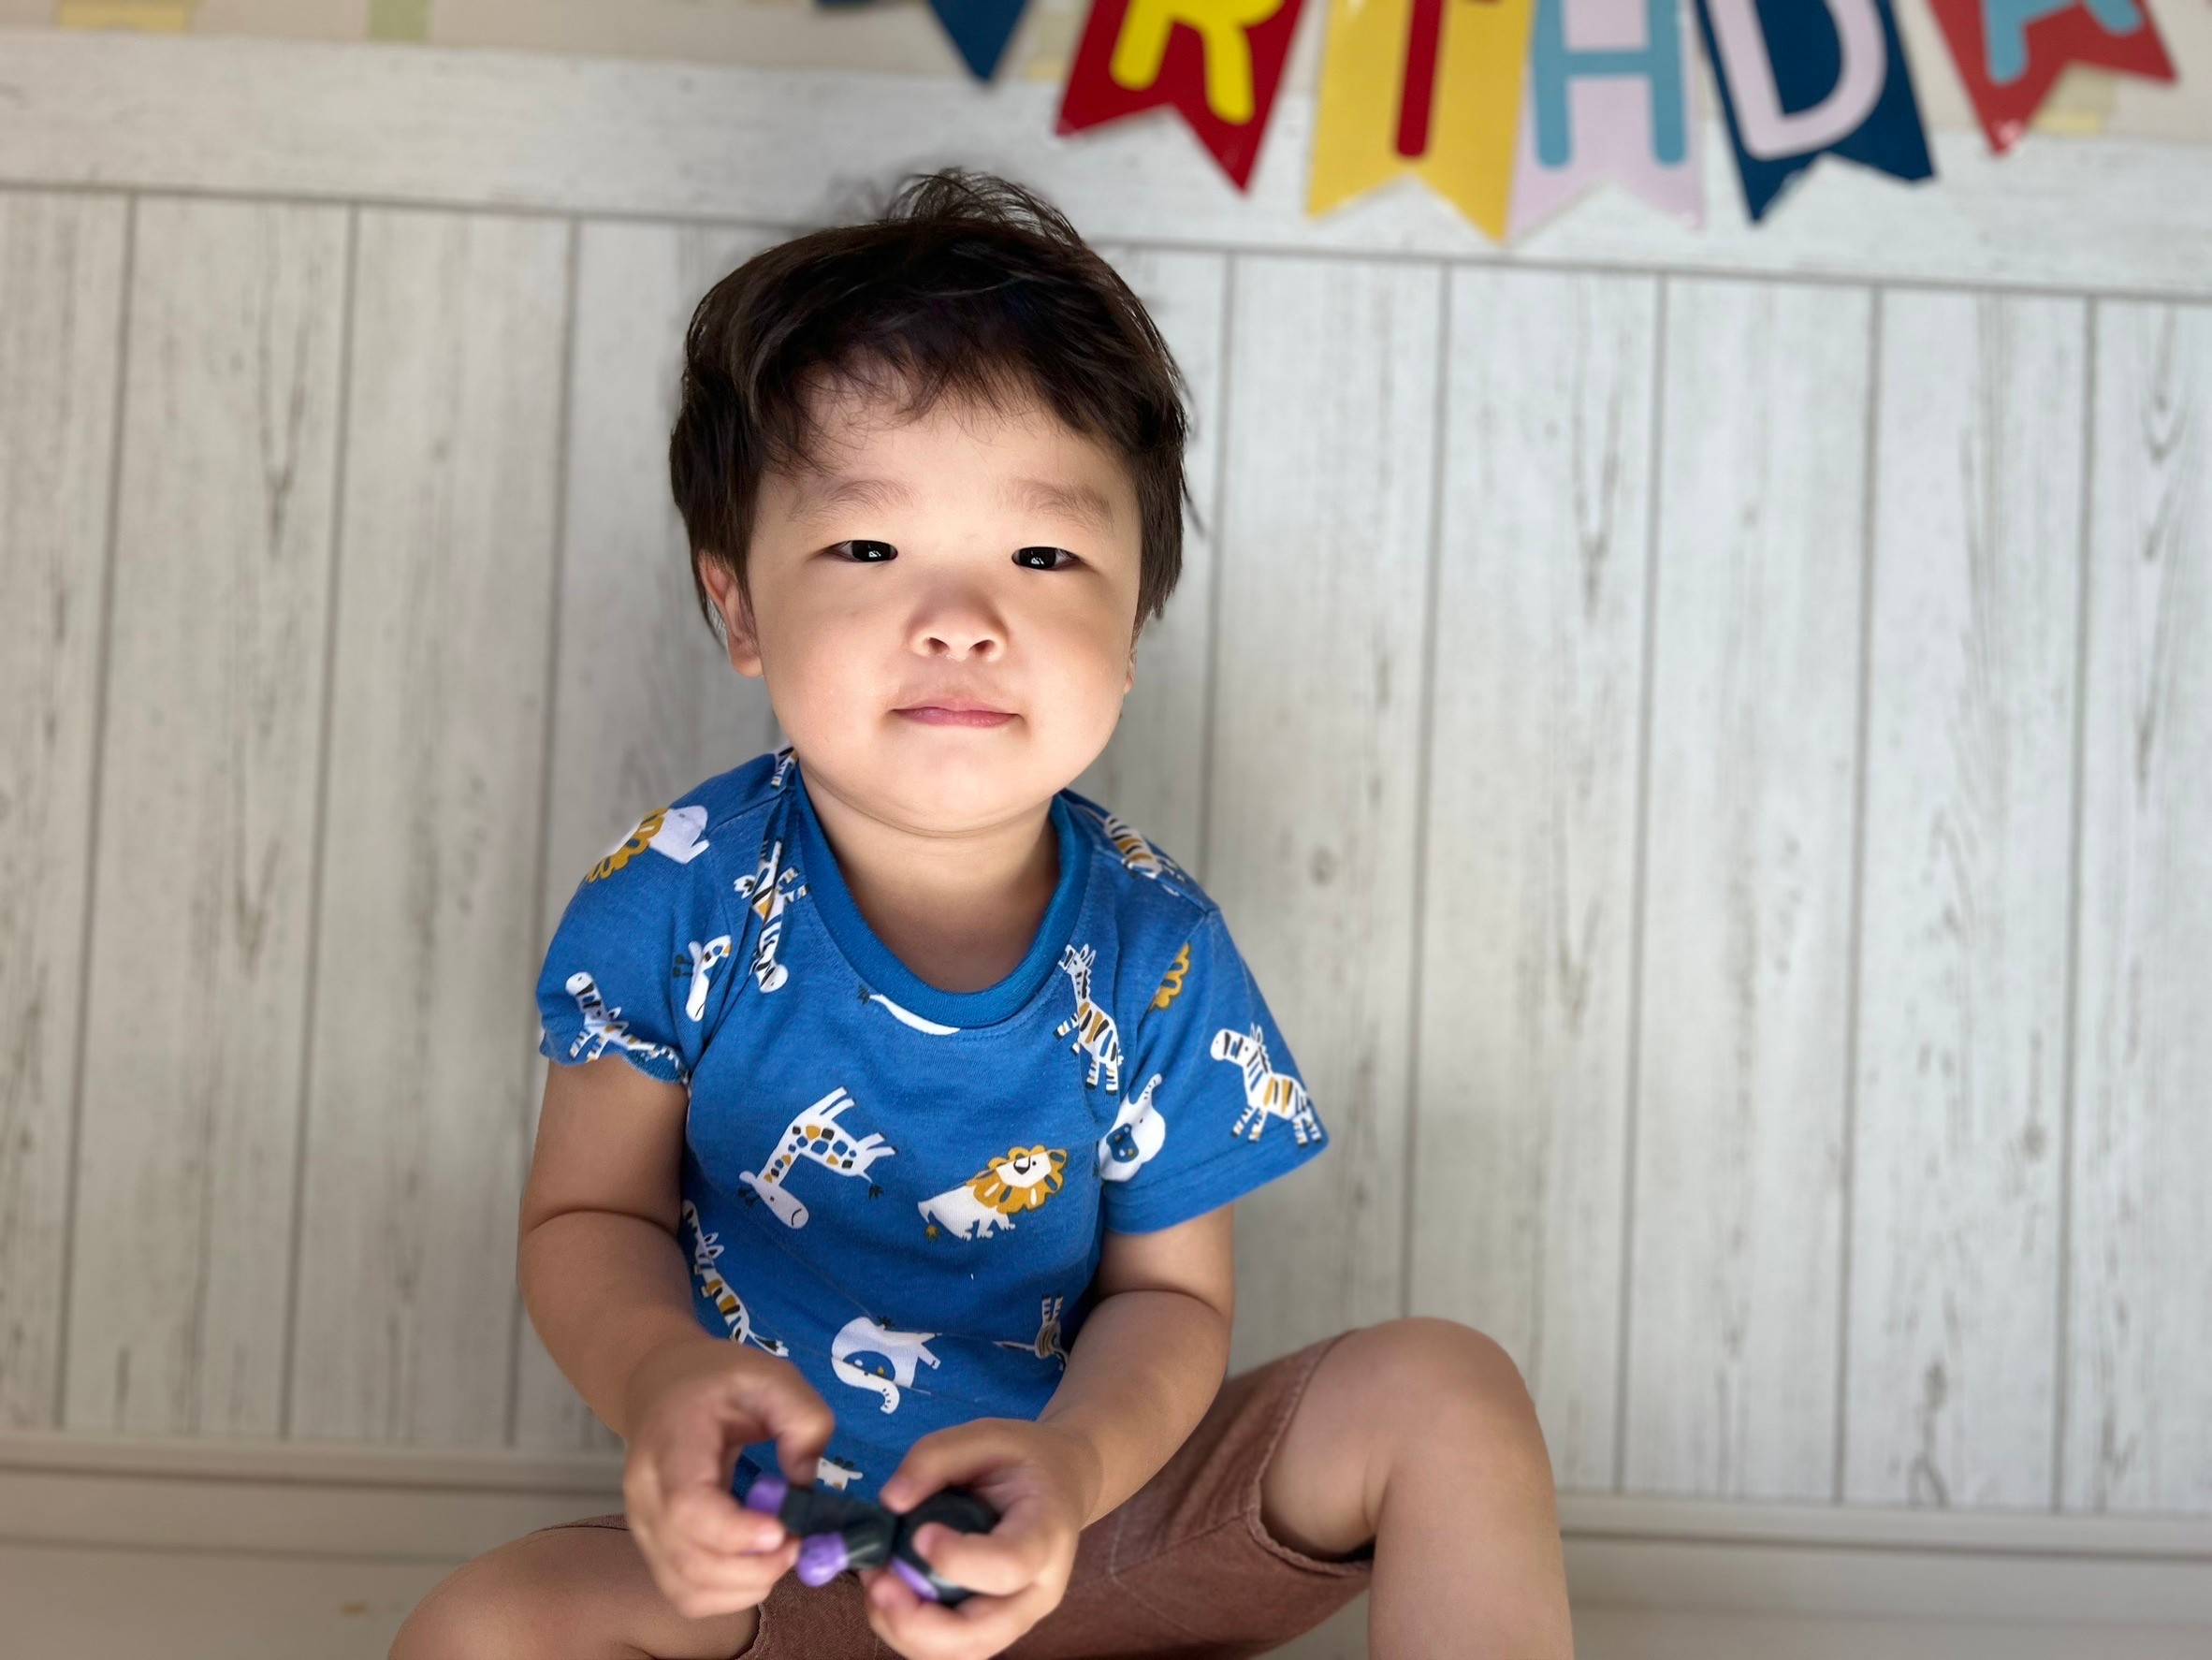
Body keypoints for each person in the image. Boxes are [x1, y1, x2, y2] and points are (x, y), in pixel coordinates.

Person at [390, 170, 1571, 1660]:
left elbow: (1170, 1303)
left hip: (1089, 1541)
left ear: (1131, 627)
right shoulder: (680, 891)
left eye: (1044, 555)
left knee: (1445, 1389)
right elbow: (590, 1216)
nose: (961, 616)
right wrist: (661, 1381)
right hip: (781, 1556)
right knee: (483, 1625)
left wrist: (1071, 1468)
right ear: (739, 606)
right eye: (868, 549)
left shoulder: (1154, 947)